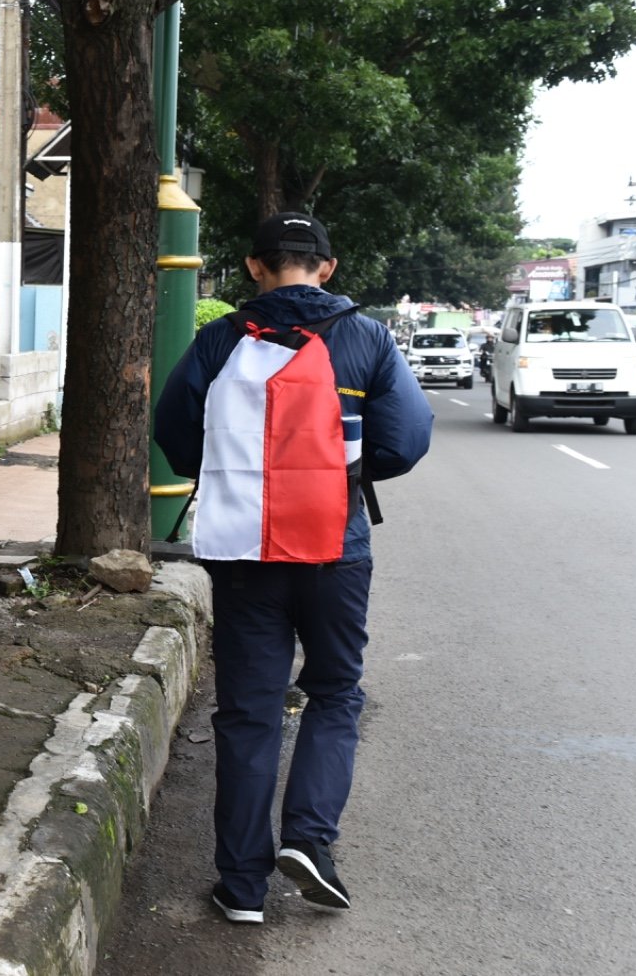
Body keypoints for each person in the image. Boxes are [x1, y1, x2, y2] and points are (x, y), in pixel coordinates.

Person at [154, 212, 433, 924]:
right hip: (336, 548)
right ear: (328, 269)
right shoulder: (367, 338)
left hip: (244, 552)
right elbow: (406, 440)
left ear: (254, 267)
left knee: (249, 712)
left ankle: (242, 887)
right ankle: (310, 840)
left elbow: (177, 432)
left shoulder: (220, 339)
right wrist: (337, 473)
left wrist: (236, 473)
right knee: (336, 692)